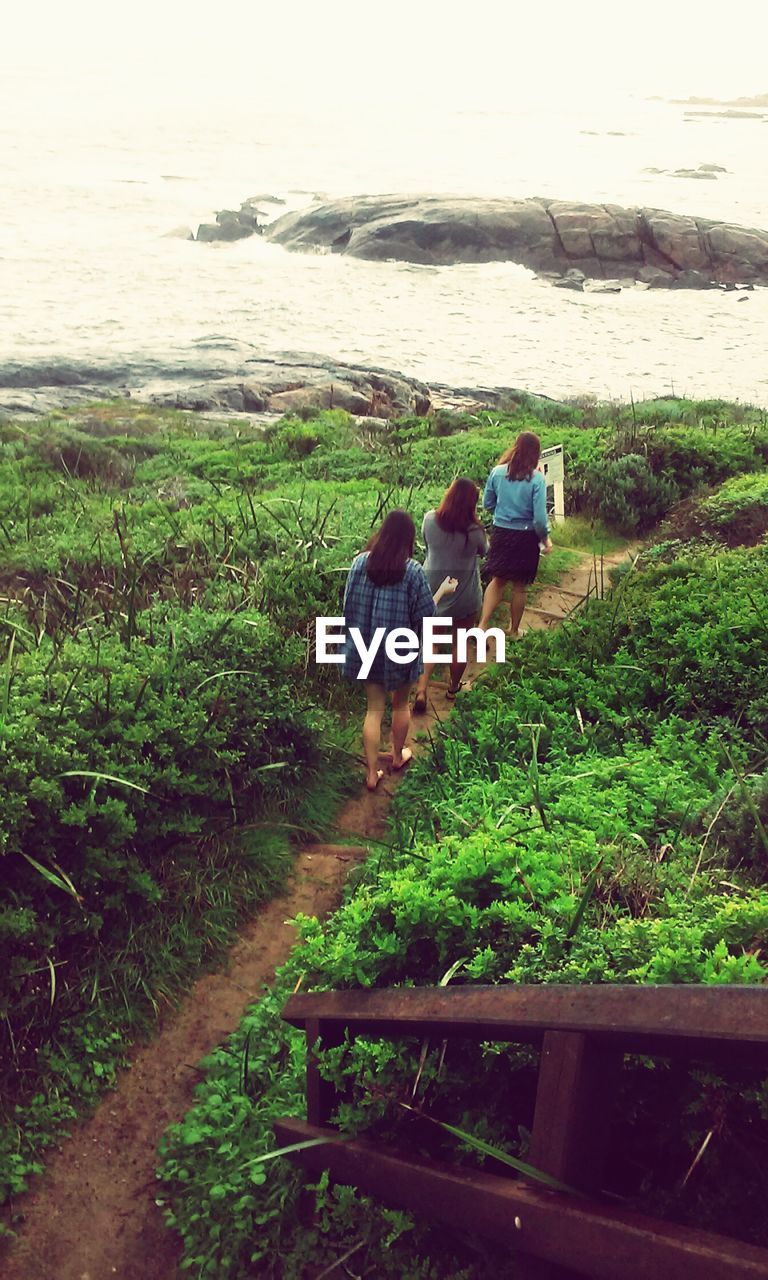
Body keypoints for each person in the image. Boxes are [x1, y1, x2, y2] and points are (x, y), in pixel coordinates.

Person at [343, 510, 436, 791]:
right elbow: (426, 615)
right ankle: (397, 757)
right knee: (400, 704)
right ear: (407, 539)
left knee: (373, 709)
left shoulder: (359, 563)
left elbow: (347, 605)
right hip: (400, 647)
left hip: (366, 645)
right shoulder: (413, 571)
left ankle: (371, 774)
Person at [413, 477, 488, 712]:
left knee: (431, 642)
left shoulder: (430, 520)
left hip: (433, 590)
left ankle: (421, 691)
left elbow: (427, 546)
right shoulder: (474, 531)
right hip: (463, 594)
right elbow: (484, 552)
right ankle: (453, 688)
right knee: (460, 641)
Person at [478, 431, 553, 636]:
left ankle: (482, 625)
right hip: (526, 537)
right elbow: (539, 518)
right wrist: (545, 538)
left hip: (501, 533)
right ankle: (513, 630)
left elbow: (487, 504)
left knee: (498, 580)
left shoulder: (497, 472)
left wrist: (502, 516)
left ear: (516, 447)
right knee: (519, 586)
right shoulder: (537, 479)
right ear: (535, 453)